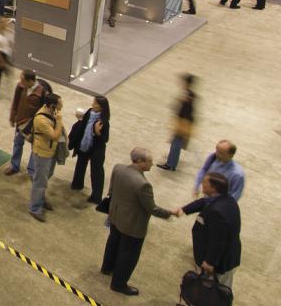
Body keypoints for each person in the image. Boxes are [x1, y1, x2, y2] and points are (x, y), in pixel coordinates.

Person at [101, 148, 174, 296]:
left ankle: (106, 268)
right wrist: (169, 213)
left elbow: (112, 190)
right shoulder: (142, 184)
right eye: (149, 161)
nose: (152, 164)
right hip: (132, 225)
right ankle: (119, 284)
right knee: (128, 255)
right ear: (139, 162)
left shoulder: (118, 168)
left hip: (115, 216)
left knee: (113, 243)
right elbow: (151, 208)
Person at [174, 172, 242, 290]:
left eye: (205, 182)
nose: (202, 183)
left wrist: (210, 262)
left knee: (216, 293)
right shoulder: (227, 199)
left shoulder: (217, 212)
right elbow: (204, 202)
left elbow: (218, 240)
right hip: (229, 255)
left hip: (219, 263)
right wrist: (184, 210)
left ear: (213, 188)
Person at [27, 93, 63, 222]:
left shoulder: (51, 111)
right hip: (42, 154)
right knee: (40, 181)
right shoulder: (41, 119)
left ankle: (40, 198)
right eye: (59, 103)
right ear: (52, 105)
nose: (62, 105)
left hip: (50, 152)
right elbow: (54, 136)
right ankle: (35, 208)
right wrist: (59, 121)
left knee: (47, 176)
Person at [69, 96, 110, 204]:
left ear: (101, 107)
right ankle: (77, 184)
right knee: (80, 165)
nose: (92, 104)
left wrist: (97, 133)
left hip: (96, 149)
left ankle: (96, 196)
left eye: (95, 103)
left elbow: (105, 139)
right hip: (84, 145)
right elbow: (83, 126)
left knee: (96, 172)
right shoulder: (89, 112)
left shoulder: (104, 122)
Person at [157, 73, 196, 171]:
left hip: (183, 122)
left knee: (176, 143)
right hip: (184, 122)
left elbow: (184, 109)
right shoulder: (190, 93)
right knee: (176, 142)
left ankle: (171, 164)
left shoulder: (187, 95)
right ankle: (172, 162)